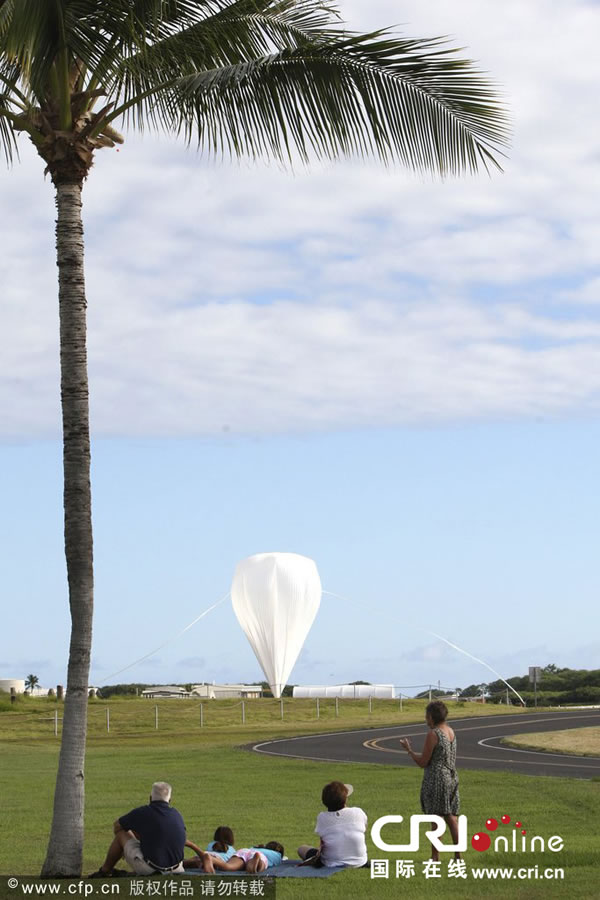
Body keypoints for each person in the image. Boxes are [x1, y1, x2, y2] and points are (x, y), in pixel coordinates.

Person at [399, 700, 461, 861]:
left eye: (427, 717)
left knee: (436, 818)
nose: (426, 720)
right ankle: (457, 855)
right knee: (451, 817)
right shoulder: (450, 731)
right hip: (452, 776)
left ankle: (435, 857)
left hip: (437, 778)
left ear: (432, 717)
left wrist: (409, 751)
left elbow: (423, 762)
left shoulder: (433, 734)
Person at [89, 781, 187, 877]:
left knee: (121, 834)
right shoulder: (177, 814)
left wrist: (123, 849)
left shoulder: (143, 812)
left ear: (150, 798)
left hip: (151, 869)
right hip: (177, 868)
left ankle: (105, 871)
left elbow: (117, 826)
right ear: (170, 800)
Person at [298, 781, 368, 868]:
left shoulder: (322, 817)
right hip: (359, 861)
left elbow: (322, 837)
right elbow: (364, 828)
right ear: (345, 799)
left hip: (330, 862)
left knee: (301, 849)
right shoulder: (358, 812)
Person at [195, 841, 284, 874]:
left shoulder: (255, 847)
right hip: (260, 856)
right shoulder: (277, 855)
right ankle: (255, 864)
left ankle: (211, 859)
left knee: (228, 867)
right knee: (261, 866)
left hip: (244, 851)